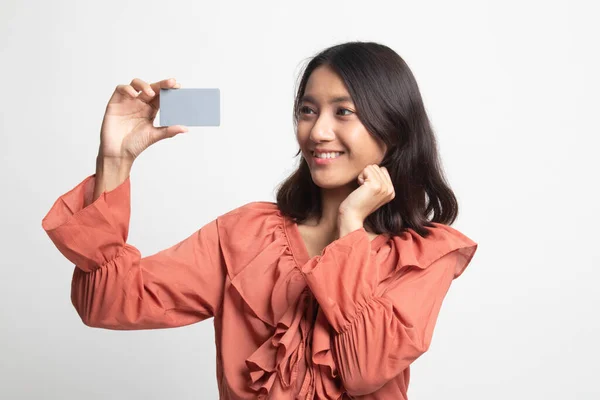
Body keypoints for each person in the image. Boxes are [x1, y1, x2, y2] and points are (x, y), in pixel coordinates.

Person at [41, 41, 478, 399]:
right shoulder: (247, 234)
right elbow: (107, 302)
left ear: (395, 128)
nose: (318, 131)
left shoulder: (425, 253)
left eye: (343, 112)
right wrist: (115, 159)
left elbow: (364, 368)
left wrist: (350, 227)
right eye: (308, 111)